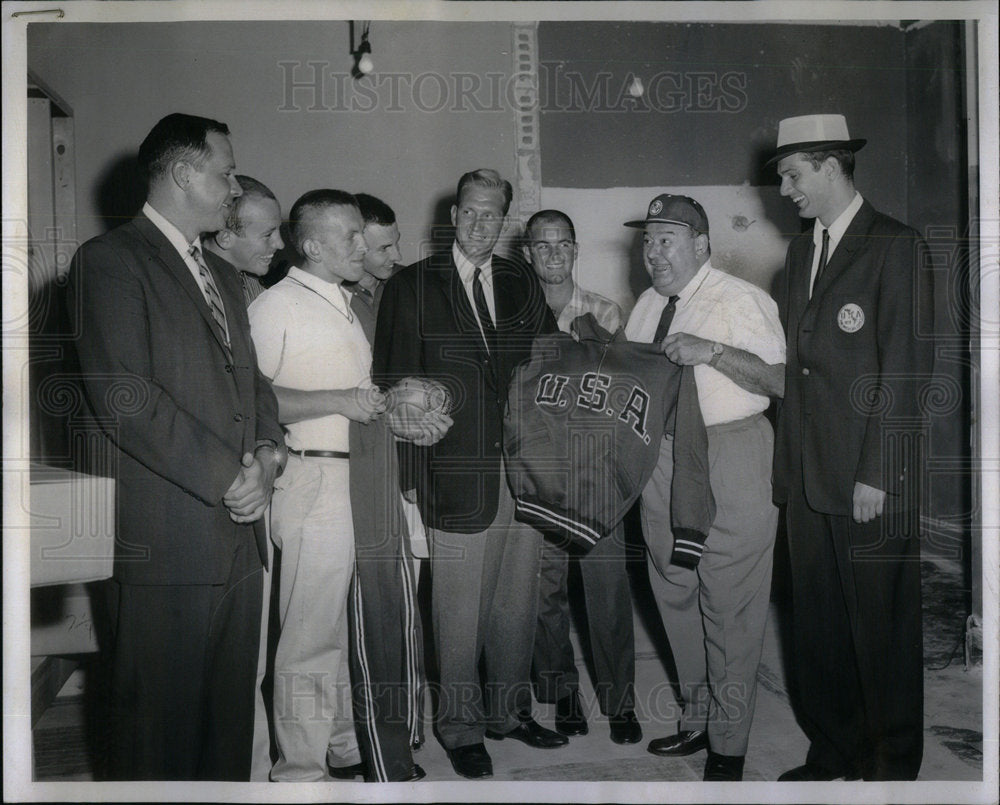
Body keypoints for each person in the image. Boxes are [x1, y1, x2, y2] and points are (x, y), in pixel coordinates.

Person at [67, 113, 284, 780]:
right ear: (186, 174)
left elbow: (255, 383)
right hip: (167, 546)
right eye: (226, 173)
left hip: (240, 541)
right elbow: (126, 400)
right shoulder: (108, 262)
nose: (234, 187)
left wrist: (271, 456)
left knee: (225, 739)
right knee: (157, 744)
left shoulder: (217, 272)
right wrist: (232, 475)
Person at [372, 169, 565, 780]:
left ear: (506, 220)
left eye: (494, 215)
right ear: (454, 214)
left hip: (524, 469)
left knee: (516, 599)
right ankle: (459, 727)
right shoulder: (412, 284)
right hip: (453, 470)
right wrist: (407, 472)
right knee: (457, 611)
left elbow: (551, 361)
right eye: (472, 212)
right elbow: (392, 377)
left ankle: (509, 712)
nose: (483, 224)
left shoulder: (518, 279)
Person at [769, 114, 934, 782]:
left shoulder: (895, 245)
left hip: (870, 478)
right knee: (819, 625)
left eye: (793, 174)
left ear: (831, 164)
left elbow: (906, 370)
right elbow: (795, 368)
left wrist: (879, 473)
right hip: (808, 478)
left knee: (881, 626)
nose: (784, 189)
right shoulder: (799, 253)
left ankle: (892, 765)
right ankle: (831, 749)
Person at [623, 194, 785, 782]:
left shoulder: (743, 301)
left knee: (731, 600)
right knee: (672, 586)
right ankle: (697, 716)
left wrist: (712, 352)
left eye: (668, 238)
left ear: (701, 244)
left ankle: (729, 742)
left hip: (730, 451)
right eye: (648, 240)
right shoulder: (645, 305)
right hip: (662, 458)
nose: (654, 252)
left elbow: (782, 380)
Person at [248, 190, 392, 781]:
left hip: (355, 476)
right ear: (310, 246)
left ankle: (343, 745)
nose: (364, 246)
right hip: (312, 475)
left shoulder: (346, 302)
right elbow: (251, 401)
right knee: (309, 636)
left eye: (363, 235)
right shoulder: (275, 307)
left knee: (334, 624)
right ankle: (299, 775)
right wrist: (343, 402)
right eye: (351, 237)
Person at [520, 209, 640, 744]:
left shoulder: (607, 312)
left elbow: (624, 397)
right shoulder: (513, 313)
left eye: (561, 244)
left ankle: (620, 701)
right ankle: (562, 691)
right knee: (543, 590)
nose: (552, 254)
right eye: (541, 246)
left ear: (575, 250)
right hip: (539, 473)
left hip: (595, 474)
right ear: (528, 254)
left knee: (608, 588)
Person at [340, 192, 439, 781]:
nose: (395, 255)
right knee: (369, 611)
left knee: (409, 602)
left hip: (409, 465)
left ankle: (410, 727)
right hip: (363, 471)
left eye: (395, 242)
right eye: (382, 247)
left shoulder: (399, 289)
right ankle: (367, 739)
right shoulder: (339, 301)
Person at [203, 173, 284, 780]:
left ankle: (253, 779)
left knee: (248, 665)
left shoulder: (238, 287)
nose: (279, 243)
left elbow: (257, 394)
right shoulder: (208, 287)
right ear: (225, 234)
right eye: (267, 231)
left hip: (252, 487)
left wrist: (269, 450)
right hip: (211, 504)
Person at [204, 174, 284, 306]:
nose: (280, 244)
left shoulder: (254, 288)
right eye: (268, 235)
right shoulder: (192, 290)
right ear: (225, 238)